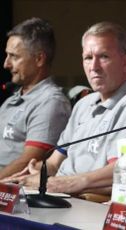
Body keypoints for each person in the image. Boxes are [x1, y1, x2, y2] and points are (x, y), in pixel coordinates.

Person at [12, 25, 126, 202]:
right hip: (71, 195)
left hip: (83, 198)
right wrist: (40, 172)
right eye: (87, 58)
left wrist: (61, 184)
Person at [3, 21, 126, 186]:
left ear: (125, 61)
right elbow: (54, 163)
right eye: (88, 58)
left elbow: (122, 179)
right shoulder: (83, 104)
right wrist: (32, 174)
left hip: (84, 200)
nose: (94, 67)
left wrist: (55, 184)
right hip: (59, 191)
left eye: (104, 56)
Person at [0, 18, 71, 179]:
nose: (6, 64)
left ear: (39, 59)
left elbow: (29, 161)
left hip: (12, 192)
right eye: (7, 56)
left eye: (14, 56)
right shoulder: (11, 100)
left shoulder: (50, 102)